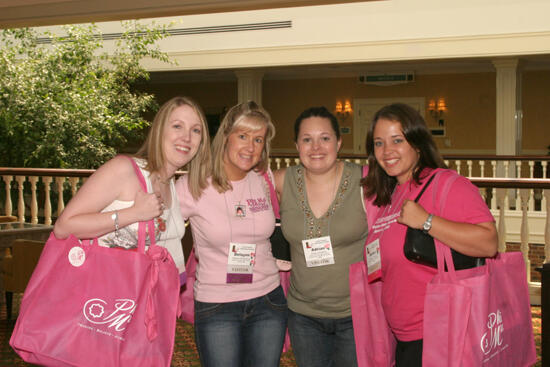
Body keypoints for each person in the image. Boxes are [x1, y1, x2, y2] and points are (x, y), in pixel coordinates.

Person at [361, 103, 497, 366]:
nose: (387, 151)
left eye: (397, 140)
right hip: (402, 338)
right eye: (379, 143)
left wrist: (427, 221)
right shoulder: (390, 195)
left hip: (439, 336)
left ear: (418, 143)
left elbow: (489, 242)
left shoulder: (446, 184)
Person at [175, 101, 286, 367]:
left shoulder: (263, 179)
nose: (250, 147)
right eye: (243, 136)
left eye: (258, 139)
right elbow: (159, 230)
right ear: (226, 136)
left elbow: (313, 181)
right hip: (217, 305)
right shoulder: (192, 186)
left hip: (268, 300)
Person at [54, 96, 211, 281]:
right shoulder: (124, 169)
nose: (187, 137)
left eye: (196, 130)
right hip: (103, 295)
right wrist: (134, 213)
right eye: (177, 126)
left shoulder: (170, 184)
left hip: (143, 300)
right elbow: (63, 227)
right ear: (160, 130)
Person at [273, 106, 369, 367]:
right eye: (307, 139)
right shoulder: (282, 181)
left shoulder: (365, 181)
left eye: (324, 138)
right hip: (303, 315)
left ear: (338, 142)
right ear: (296, 145)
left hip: (355, 314)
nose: (316, 147)